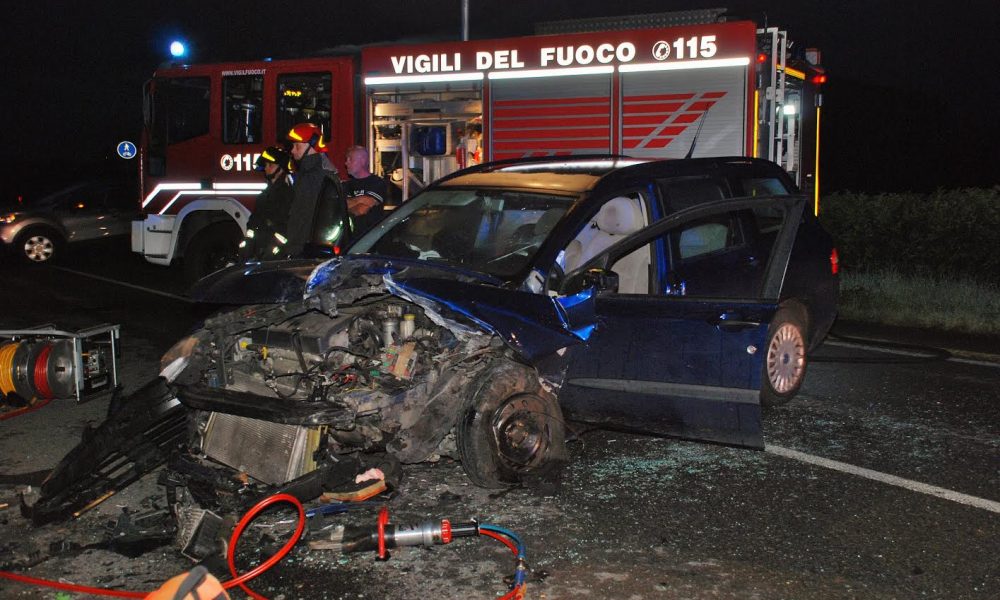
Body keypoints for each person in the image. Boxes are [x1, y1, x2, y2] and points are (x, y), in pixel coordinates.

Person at [283, 122, 350, 257]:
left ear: (312, 146)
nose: (292, 150)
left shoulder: (315, 176)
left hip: (306, 250)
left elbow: (304, 215)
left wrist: (294, 248)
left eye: (297, 146)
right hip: (307, 248)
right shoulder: (309, 173)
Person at [238, 146, 293, 261]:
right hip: (260, 250)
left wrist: (273, 249)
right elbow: (254, 222)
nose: (267, 169)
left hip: (276, 255)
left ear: (281, 169)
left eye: (271, 165)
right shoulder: (265, 195)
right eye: (266, 165)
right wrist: (248, 244)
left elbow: (285, 227)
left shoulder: (287, 194)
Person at [344, 145, 388, 237]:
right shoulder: (345, 185)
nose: (346, 163)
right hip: (350, 239)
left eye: (350, 159)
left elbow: (362, 210)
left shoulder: (377, 183)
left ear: (362, 161)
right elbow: (340, 206)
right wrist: (360, 200)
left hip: (371, 239)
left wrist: (348, 205)